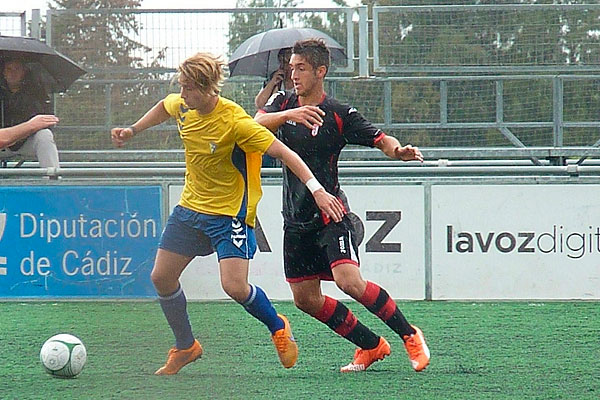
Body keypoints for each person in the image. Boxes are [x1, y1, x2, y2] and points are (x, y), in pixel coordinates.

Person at [110, 52, 344, 376]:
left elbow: (285, 153)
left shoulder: (237, 123)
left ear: (207, 89)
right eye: (181, 87)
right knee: (161, 277)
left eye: (188, 88)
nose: (183, 94)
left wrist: (317, 189)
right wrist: (133, 131)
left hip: (229, 215)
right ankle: (186, 346)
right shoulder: (183, 105)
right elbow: (164, 107)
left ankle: (277, 326)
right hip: (190, 208)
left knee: (234, 287)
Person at [254, 39, 430, 373]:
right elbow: (252, 124)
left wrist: (397, 151)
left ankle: (409, 335)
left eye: (301, 68)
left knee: (349, 282)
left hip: (330, 213)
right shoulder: (282, 102)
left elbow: (379, 138)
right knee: (305, 300)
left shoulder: (339, 113)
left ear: (320, 71)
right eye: (291, 67)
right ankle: (371, 346)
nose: (294, 74)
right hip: (295, 218)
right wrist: (289, 113)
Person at [0, 58, 59, 168]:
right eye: (9, 69)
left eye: (17, 69)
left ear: (24, 72)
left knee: (45, 135)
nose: (13, 73)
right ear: (3, 72)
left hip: (27, 142)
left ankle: (52, 180)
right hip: (2, 143)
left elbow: (48, 122)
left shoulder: (38, 93)